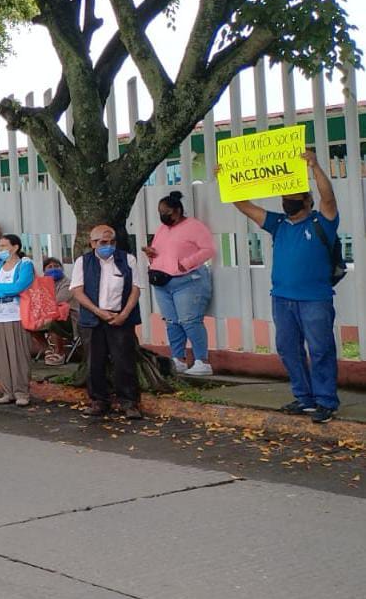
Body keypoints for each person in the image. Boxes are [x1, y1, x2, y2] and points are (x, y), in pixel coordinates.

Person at [227, 150, 341, 424]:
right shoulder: (278, 224)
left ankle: (326, 401)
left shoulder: (321, 221)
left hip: (315, 299)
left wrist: (314, 166)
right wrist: (228, 180)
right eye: (284, 199)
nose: (287, 203)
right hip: (282, 299)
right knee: (288, 349)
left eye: (292, 199)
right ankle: (304, 398)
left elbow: (329, 197)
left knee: (320, 349)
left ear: (307, 201)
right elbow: (245, 206)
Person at [71, 224, 143, 420]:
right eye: (103, 242)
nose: (108, 246)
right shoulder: (83, 262)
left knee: (124, 361)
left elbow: (136, 289)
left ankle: (129, 402)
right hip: (93, 319)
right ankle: (98, 401)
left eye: (112, 242)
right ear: (93, 243)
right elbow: (77, 291)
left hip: (121, 318)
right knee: (94, 361)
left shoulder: (127, 259)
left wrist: (124, 314)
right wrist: (98, 312)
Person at [142, 190, 216, 376]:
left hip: (187, 280)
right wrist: (152, 254)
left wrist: (186, 264)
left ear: (176, 210)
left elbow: (208, 249)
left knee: (190, 321)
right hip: (163, 281)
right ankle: (178, 358)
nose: (162, 216)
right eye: (160, 212)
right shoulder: (162, 229)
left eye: (165, 212)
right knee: (172, 322)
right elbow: (162, 251)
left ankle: (202, 360)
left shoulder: (194, 226)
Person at [0, 234, 36, 405]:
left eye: (4, 246)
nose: (1, 250)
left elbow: (20, 286)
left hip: (17, 315)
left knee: (19, 354)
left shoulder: (25, 264)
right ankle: (8, 391)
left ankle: (22, 392)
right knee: (2, 355)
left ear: (15, 247)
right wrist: (3, 291)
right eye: (0, 247)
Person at [32, 257, 79, 366]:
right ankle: (47, 349)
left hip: (69, 318)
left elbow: (57, 302)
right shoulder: (41, 284)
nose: (54, 269)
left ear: (62, 269)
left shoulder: (68, 284)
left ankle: (59, 352)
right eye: (50, 267)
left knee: (54, 320)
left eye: (56, 266)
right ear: (44, 271)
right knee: (28, 324)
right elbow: (35, 300)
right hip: (47, 316)